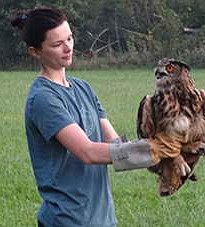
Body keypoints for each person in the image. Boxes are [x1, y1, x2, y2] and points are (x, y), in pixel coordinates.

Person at [11, 7, 190, 227]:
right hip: (67, 221)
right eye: (57, 44)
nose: (68, 48)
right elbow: (87, 152)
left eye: (69, 38)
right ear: (35, 52)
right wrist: (156, 149)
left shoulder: (82, 88)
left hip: (102, 219)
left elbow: (117, 146)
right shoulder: (43, 98)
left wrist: (171, 155)